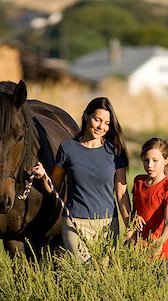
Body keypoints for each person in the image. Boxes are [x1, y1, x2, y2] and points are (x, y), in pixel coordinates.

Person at [33, 97, 131, 262]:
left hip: (108, 225)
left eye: (107, 123)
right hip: (76, 223)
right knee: (86, 273)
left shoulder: (115, 151)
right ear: (86, 116)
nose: (101, 127)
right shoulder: (68, 148)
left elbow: (122, 194)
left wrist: (129, 227)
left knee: (104, 276)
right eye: (97, 120)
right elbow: (54, 187)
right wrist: (44, 176)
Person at [125, 137, 168, 280]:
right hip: (139, 250)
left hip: (162, 253)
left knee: (158, 295)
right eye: (146, 160)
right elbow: (135, 211)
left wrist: (159, 245)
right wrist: (134, 217)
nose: (150, 165)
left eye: (155, 160)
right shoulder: (138, 181)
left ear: (166, 160)